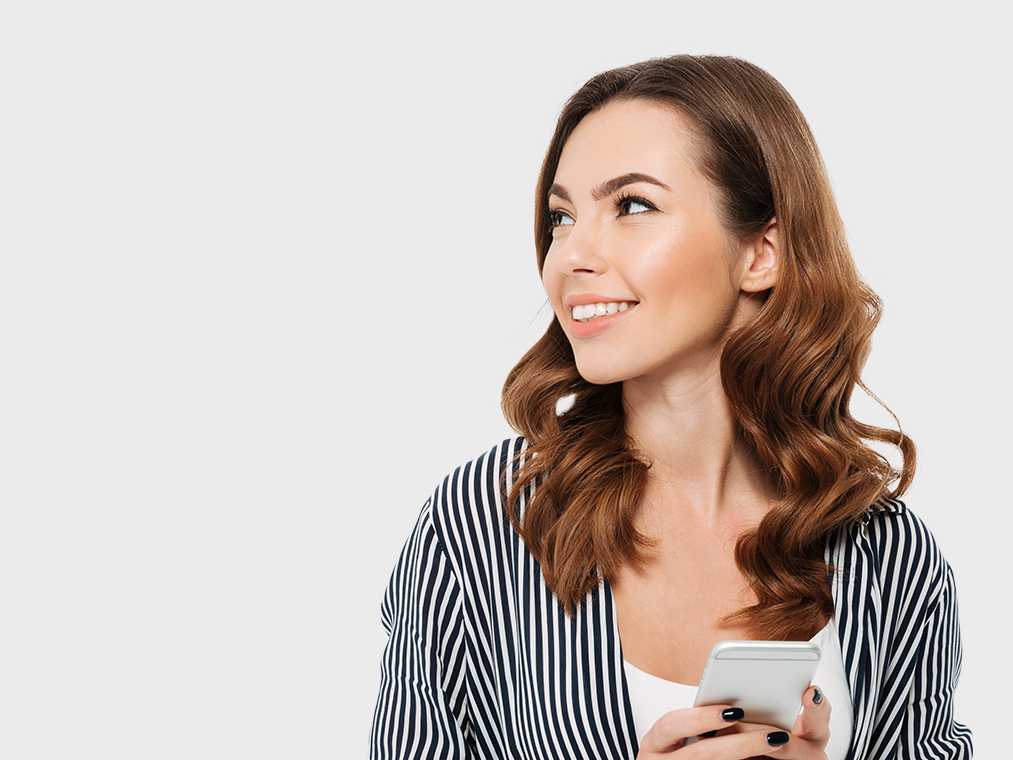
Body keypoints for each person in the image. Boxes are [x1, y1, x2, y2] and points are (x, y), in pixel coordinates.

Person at [370, 55, 971, 760]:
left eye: (631, 205)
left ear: (761, 254)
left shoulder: (888, 557)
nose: (568, 256)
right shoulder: (483, 525)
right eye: (561, 217)